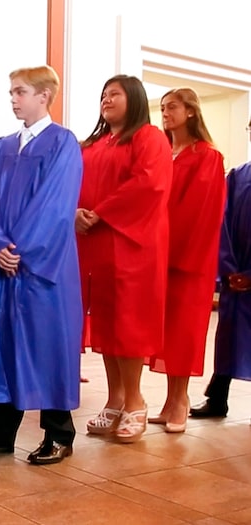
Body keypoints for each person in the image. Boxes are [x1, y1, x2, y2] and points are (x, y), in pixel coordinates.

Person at [0, 65, 83, 464]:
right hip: (6, 267)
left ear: (44, 96)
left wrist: (19, 249)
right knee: (3, 347)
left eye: (20, 92)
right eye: (11, 92)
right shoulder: (2, 146)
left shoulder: (63, 144)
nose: (12, 99)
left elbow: (55, 207)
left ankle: (59, 432)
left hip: (43, 269)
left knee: (47, 346)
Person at [77, 75, 172, 443]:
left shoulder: (148, 138)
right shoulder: (96, 144)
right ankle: (114, 399)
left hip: (133, 244)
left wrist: (100, 212)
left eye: (114, 94)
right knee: (107, 323)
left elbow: (149, 183)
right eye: (103, 94)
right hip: (98, 245)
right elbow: (75, 184)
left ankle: (135, 400)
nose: (106, 99)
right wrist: (77, 211)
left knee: (129, 323)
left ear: (134, 99)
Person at [147, 88, 225, 432]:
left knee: (184, 329)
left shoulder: (208, 156)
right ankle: (168, 400)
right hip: (157, 253)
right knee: (162, 329)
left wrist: (174, 251)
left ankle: (181, 400)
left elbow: (200, 212)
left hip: (187, 258)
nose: (165, 113)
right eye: (162, 108)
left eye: (172, 107)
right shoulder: (164, 152)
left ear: (191, 111)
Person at [190, 116, 251, 419]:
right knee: (228, 337)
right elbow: (221, 223)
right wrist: (228, 270)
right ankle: (218, 398)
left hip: (248, 275)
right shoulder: (238, 176)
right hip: (235, 274)